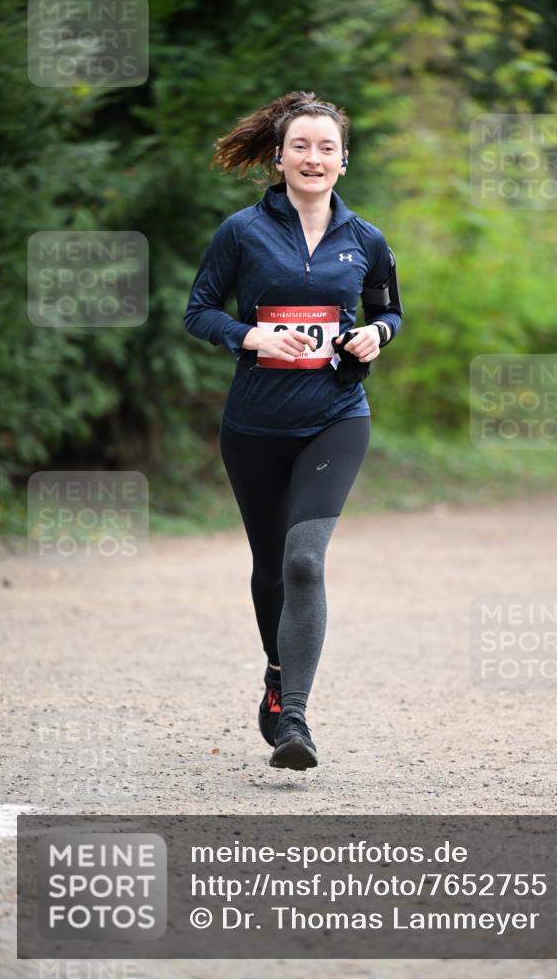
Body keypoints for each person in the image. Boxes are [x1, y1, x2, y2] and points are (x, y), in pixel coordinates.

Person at [184, 91, 403, 771]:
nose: (314, 157)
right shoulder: (242, 232)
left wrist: (375, 335)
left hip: (335, 416)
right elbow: (198, 312)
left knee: (304, 560)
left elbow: (388, 311)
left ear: (343, 161)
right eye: (301, 146)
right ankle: (277, 677)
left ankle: (295, 721)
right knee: (269, 567)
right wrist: (250, 335)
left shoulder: (364, 238)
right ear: (279, 158)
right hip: (254, 425)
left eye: (326, 148)